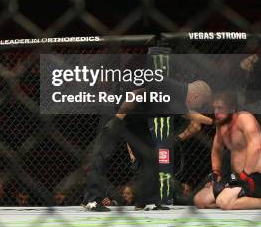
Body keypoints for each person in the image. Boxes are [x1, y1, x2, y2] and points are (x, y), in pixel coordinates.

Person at [81, 79, 212, 212]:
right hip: (119, 110)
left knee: (151, 155)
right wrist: (117, 119)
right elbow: (135, 94)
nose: (197, 107)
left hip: (136, 118)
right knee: (102, 153)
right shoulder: (170, 87)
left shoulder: (177, 95)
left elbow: (188, 114)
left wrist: (214, 120)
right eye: (200, 104)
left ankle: (147, 200)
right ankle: (91, 199)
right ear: (196, 96)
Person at [193, 92, 261, 210]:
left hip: (256, 177)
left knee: (224, 202)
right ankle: (235, 199)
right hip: (236, 178)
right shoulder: (221, 125)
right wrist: (216, 174)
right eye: (214, 108)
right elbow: (217, 150)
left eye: (220, 108)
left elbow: (256, 148)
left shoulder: (245, 118)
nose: (216, 112)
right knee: (200, 200)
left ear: (232, 108)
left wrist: (245, 174)